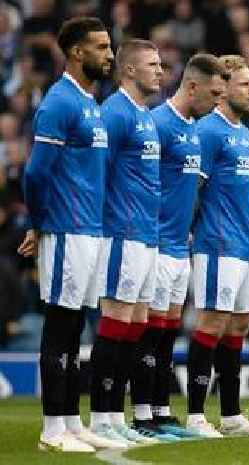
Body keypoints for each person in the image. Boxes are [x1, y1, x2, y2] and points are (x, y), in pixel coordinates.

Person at [18, 17, 117, 452]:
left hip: (89, 230)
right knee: (60, 324)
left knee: (76, 324)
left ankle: (71, 421)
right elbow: (36, 173)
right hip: (65, 228)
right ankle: (52, 428)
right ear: (77, 52)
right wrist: (40, 225)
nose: (110, 54)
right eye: (101, 47)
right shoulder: (58, 103)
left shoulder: (90, 103)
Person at [185, 55, 249, 437]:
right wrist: (189, 229)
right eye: (244, 84)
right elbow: (193, 187)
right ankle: (193, 416)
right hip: (217, 243)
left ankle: (232, 414)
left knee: (239, 326)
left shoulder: (244, 133)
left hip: (245, 243)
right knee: (212, 324)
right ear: (222, 91)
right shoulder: (208, 131)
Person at [139, 53, 226, 438]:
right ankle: (143, 414)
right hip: (154, 243)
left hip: (179, 244)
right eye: (214, 93)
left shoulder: (194, 127)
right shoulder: (157, 124)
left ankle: (159, 409)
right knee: (150, 333)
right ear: (192, 86)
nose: (217, 102)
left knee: (167, 332)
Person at [88, 38, 168, 446]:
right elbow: (95, 173)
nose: (161, 71)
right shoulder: (114, 113)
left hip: (147, 236)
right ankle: (102, 417)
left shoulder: (147, 116)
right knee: (117, 321)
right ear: (130, 70)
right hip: (121, 234)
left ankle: (116, 415)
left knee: (136, 325)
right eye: (153, 64)